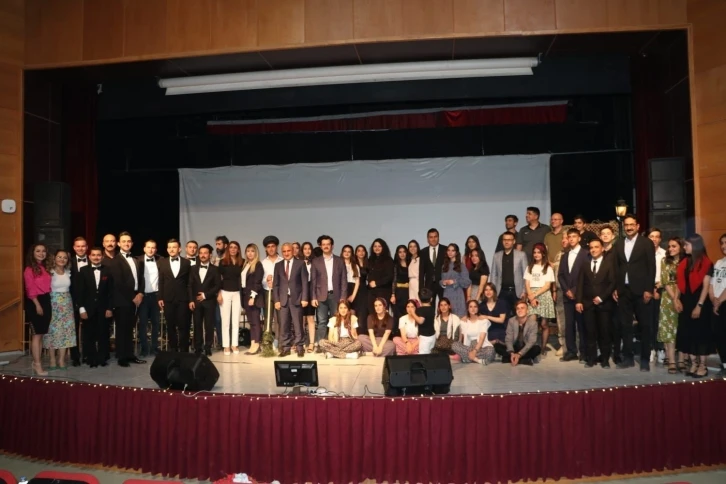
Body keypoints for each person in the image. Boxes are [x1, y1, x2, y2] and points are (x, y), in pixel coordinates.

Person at [613, 215, 656, 371]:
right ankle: (628, 358)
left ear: (638, 226)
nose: (629, 227)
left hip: (641, 291)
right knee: (625, 326)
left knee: (645, 326)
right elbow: (616, 267)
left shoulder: (646, 243)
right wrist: (615, 288)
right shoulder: (618, 243)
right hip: (624, 291)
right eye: (626, 225)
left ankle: (644, 359)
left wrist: (649, 289)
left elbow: (651, 267)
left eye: (632, 224)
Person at [675, 234, 713, 378]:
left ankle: (703, 365)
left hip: (700, 302)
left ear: (695, 245)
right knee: (688, 333)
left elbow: (706, 286)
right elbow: (679, 283)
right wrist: (676, 299)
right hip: (686, 301)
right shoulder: (685, 262)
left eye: (686, 245)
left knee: (700, 333)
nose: (684, 247)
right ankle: (693, 363)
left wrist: (699, 305)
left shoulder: (706, 263)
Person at [576, 238, 616, 368]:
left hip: (604, 304)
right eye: (591, 247)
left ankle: (605, 360)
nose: (593, 250)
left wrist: (602, 297)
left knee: (605, 333)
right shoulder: (585, 264)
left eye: (596, 247)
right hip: (587, 304)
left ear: (602, 249)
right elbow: (580, 284)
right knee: (590, 332)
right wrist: (578, 301)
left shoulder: (609, 264)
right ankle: (591, 359)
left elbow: (612, 283)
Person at [107, 232, 146, 367]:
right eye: (123, 241)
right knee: (122, 329)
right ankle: (122, 357)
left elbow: (141, 279)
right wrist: (132, 297)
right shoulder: (115, 261)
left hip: (136, 298)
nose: (126, 243)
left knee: (130, 329)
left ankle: (130, 355)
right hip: (123, 299)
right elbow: (119, 283)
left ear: (132, 243)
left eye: (129, 241)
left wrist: (140, 293)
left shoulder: (136, 260)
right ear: (119, 244)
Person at [76, 247, 113, 367]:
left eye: (98, 255)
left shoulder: (108, 270)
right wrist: (81, 309)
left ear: (102, 257)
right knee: (88, 334)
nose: (96, 257)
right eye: (93, 255)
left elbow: (111, 292)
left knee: (103, 334)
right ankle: (90, 357)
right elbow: (80, 292)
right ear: (89, 256)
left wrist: (109, 308)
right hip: (88, 309)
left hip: (103, 308)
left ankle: (102, 357)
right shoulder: (83, 270)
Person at [310, 235, 347, 352]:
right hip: (320, 296)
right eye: (324, 244)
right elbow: (313, 281)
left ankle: (335, 345)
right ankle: (321, 346)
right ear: (320, 246)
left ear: (332, 246)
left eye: (328, 244)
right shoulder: (316, 261)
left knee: (335, 321)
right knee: (321, 322)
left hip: (336, 296)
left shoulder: (339, 261)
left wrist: (343, 296)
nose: (326, 246)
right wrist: (313, 297)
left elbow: (343, 280)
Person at [558, 229, 589, 363]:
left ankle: (584, 352)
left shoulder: (586, 254)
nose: (571, 239)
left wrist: (575, 291)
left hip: (581, 295)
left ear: (579, 238)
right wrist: (566, 290)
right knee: (569, 325)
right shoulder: (565, 255)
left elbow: (587, 276)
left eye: (574, 236)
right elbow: (560, 275)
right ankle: (571, 351)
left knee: (582, 325)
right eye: (569, 236)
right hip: (567, 296)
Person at [273, 242, 309, 357]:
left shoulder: (300, 264)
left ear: (293, 251)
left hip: (297, 299)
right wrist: (276, 300)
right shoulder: (278, 265)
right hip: (283, 300)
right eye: (284, 251)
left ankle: (299, 347)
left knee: (298, 324)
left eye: (288, 251)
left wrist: (304, 298)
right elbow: (276, 285)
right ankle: (285, 348)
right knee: (284, 325)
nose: (286, 253)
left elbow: (304, 282)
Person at [43, 250, 77, 370]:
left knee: (66, 332)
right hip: (53, 303)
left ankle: (61, 359)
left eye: (65, 258)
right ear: (54, 258)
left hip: (67, 303)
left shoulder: (68, 272)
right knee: (52, 332)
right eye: (59, 257)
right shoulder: (49, 272)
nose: (62, 259)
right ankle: (52, 359)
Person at [158, 239, 192, 353]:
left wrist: (190, 299)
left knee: (184, 325)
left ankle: (184, 349)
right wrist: (160, 297)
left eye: (174, 247)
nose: (171, 249)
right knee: (170, 325)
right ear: (167, 249)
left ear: (180, 249)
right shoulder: (162, 262)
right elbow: (161, 281)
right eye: (169, 247)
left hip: (183, 298)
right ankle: (173, 348)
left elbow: (189, 283)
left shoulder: (186, 263)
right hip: (168, 298)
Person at [24, 243, 52, 375]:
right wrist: (37, 304)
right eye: (38, 251)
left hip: (46, 300)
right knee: (36, 335)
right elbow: (30, 289)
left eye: (43, 251)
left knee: (41, 334)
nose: (41, 253)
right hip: (35, 302)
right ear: (33, 253)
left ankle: (37, 362)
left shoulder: (44, 267)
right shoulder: (29, 269)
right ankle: (37, 364)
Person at [188, 244, 221, 356]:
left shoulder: (215, 269)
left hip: (209, 301)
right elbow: (189, 285)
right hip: (196, 301)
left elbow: (217, 285)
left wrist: (205, 295)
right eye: (201, 253)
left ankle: (208, 347)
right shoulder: (193, 268)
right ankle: (198, 347)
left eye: (205, 253)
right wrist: (191, 300)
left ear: (210, 255)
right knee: (197, 325)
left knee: (209, 326)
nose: (202, 255)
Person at [524, 243, 555, 356]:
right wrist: (531, 296)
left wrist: (535, 294)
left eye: (539, 252)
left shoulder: (548, 268)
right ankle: (531, 346)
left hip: (544, 295)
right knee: (532, 322)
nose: (536, 254)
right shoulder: (529, 267)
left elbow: (547, 286)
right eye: (534, 252)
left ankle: (543, 347)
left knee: (544, 324)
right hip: (531, 295)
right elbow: (527, 283)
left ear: (543, 254)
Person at [658, 237, 683, 374]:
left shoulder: (685, 261)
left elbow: (682, 281)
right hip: (668, 297)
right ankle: (672, 360)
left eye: (674, 246)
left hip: (683, 295)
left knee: (681, 328)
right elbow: (665, 281)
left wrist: (678, 298)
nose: (671, 249)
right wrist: (674, 299)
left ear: (681, 247)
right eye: (669, 246)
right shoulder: (665, 261)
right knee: (669, 329)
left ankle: (682, 360)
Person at [489, 232, 528, 314]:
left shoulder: (521, 255)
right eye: (504, 240)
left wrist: (524, 291)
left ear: (514, 241)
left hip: (517, 292)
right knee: (502, 316)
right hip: (501, 292)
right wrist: (493, 291)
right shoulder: (497, 256)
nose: (506, 242)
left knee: (518, 316)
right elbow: (493, 275)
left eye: (509, 240)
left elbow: (526, 275)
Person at [493, 300, 542, 366]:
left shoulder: (533, 323)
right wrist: (511, 353)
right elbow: (508, 338)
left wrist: (519, 354)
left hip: (525, 348)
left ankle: (511, 359)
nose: (520, 310)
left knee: (537, 349)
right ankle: (524, 360)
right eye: (518, 308)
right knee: (497, 346)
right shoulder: (511, 321)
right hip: (514, 347)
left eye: (522, 308)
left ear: (527, 311)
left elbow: (531, 341)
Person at [218, 241, 243, 355]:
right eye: (231, 247)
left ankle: (234, 344)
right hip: (225, 292)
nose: (233, 249)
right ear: (228, 249)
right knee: (225, 320)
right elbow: (218, 278)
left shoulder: (242, 262)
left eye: (235, 247)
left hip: (237, 293)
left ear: (238, 250)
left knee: (236, 320)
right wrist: (218, 293)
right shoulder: (223, 262)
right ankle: (226, 345)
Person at [451, 300, 495, 364]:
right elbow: (461, 339)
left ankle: (466, 358)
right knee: (454, 345)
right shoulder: (464, 322)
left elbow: (482, 339)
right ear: (468, 309)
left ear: (478, 308)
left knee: (490, 351)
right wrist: (462, 319)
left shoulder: (483, 321)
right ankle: (476, 359)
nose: (473, 309)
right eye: (470, 307)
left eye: (475, 307)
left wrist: (474, 351)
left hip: (481, 346)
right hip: (468, 347)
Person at [137, 240, 161, 357]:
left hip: (156, 296)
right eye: (148, 247)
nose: (151, 250)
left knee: (156, 323)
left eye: (153, 248)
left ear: (156, 250)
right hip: (143, 296)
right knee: (143, 324)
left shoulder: (161, 260)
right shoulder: (137, 260)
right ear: (144, 248)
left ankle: (155, 347)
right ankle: (144, 348)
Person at [241, 243, 264, 355]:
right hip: (245, 296)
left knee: (255, 322)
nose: (250, 253)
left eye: (252, 251)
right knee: (251, 322)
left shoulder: (258, 265)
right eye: (248, 251)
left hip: (253, 297)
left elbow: (257, 282)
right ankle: (252, 344)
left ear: (256, 253)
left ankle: (257, 344)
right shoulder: (245, 265)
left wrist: (252, 297)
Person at [69, 236, 89, 366]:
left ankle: (87, 354)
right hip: (72, 301)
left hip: (89, 302)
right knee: (74, 330)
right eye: (78, 246)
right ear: (74, 248)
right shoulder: (68, 262)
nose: (80, 248)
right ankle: (75, 357)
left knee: (88, 330)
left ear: (87, 247)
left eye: (83, 246)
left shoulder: (93, 260)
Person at [710, 233, 726, 377]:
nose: (723, 246)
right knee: (718, 334)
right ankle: (724, 363)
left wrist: (719, 301)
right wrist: (714, 300)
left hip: (723, 302)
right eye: (722, 243)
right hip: (717, 303)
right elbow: (711, 283)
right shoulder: (719, 262)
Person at [440, 243, 470, 316]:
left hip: (457, 294)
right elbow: (441, 280)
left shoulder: (461, 266)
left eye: (453, 250)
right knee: (447, 316)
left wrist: (454, 281)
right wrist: (443, 282)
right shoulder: (444, 266)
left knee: (458, 316)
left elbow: (467, 282)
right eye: (448, 250)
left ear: (456, 253)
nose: (450, 252)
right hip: (446, 293)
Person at [301, 241, 316, 352]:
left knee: (310, 318)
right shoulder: (298, 262)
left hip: (311, 291)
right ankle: (301, 342)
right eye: (305, 248)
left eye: (309, 248)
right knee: (301, 319)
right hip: (300, 292)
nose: (307, 250)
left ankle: (311, 343)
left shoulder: (315, 262)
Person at [414, 287, 437, 354]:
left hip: (424, 337)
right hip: (432, 335)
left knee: (423, 355)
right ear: (431, 299)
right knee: (430, 353)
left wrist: (412, 313)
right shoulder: (432, 309)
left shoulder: (420, 310)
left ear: (419, 299)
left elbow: (420, 321)